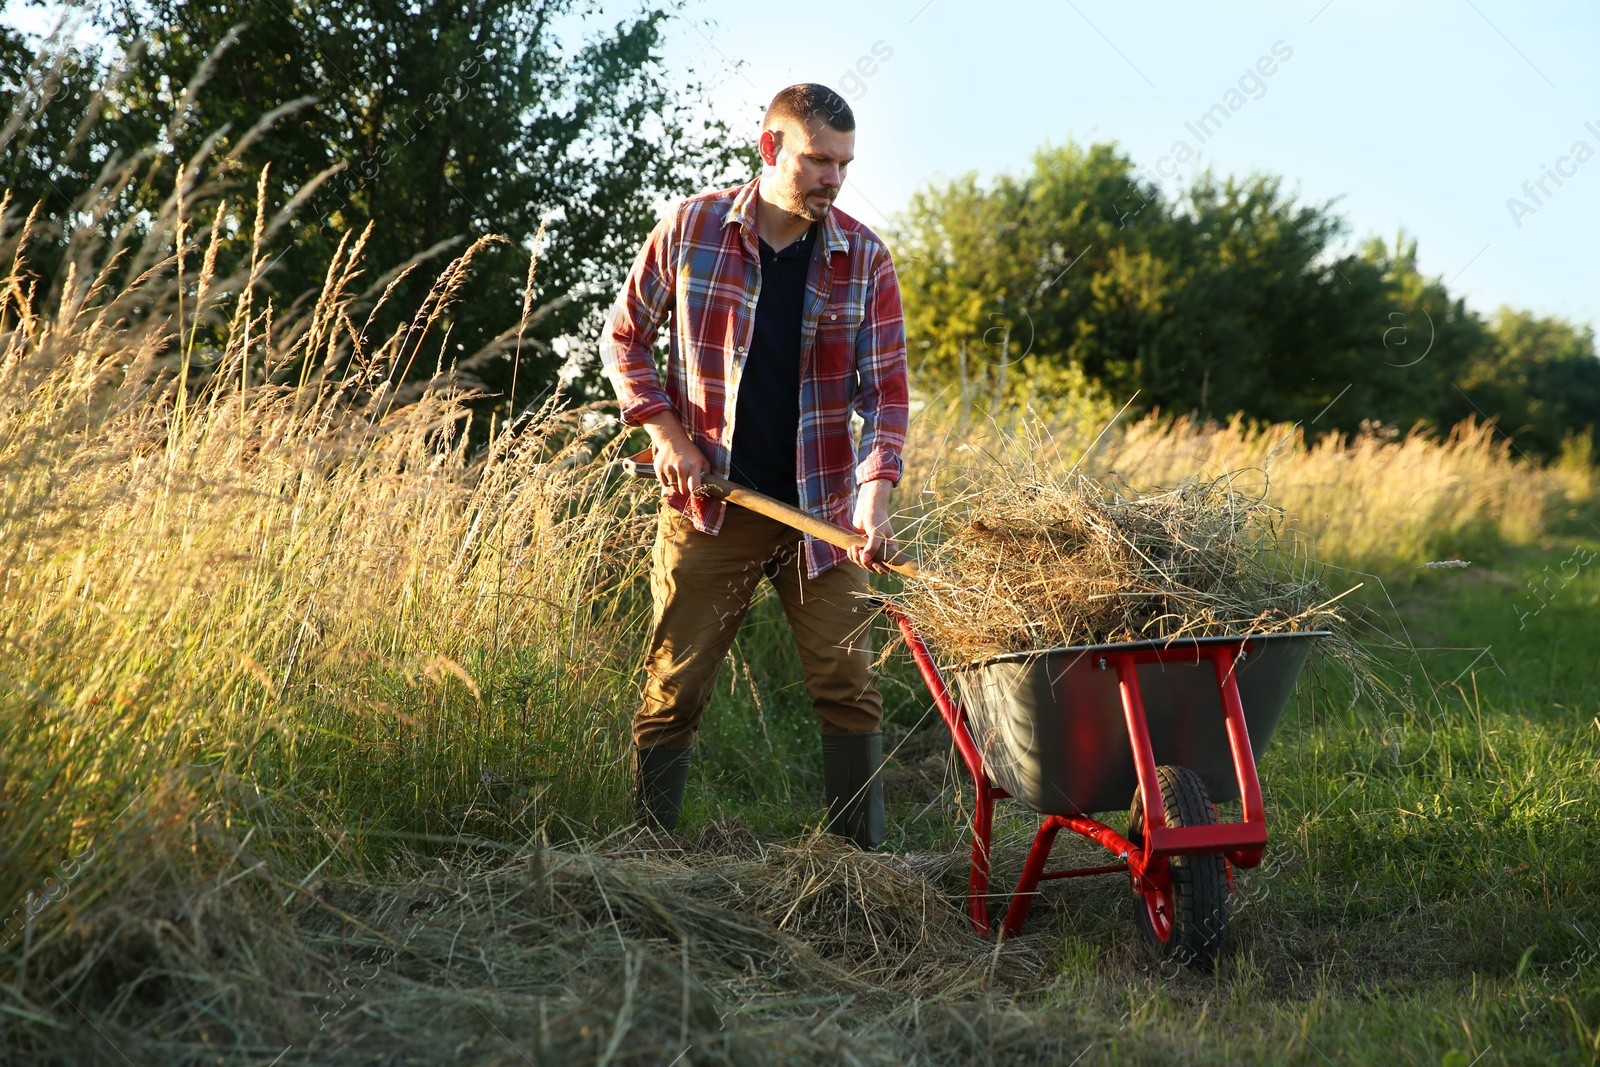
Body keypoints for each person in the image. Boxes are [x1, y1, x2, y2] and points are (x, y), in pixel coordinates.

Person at [599, 82, 909, 849]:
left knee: (850, 691)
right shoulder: (691, 228)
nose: (832, 178)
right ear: (772, 149)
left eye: (843, 163)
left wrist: (874, 500)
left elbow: (888, 397)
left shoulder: (864, 257)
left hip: (823, 516)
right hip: (712, 504)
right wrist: (668, 433)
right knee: (675, 687)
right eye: (817, 160)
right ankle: (650, 856)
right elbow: (623, 338)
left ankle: (857, 874)